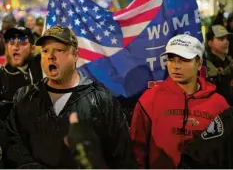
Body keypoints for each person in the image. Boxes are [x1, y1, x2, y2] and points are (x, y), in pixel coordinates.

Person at [4, 25, 136, 169]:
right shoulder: (25, 97)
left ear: (75, 56)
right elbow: (13, 147)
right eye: (45, 51)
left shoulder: (102, 100)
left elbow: (122, 157)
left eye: (58, 50)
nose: (50, 56)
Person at [130, 34, 229, 168]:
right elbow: (136, 150)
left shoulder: (219, 105)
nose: (175, 66)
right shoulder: (150, 99)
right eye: (171, 59)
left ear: (199, 63)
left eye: (184, 60)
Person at [0, 26, 42, 120]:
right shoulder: (2, 77)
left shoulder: (42, 66)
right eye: (11, 42)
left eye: (22, 42)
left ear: (32, 48)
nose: (15, 47)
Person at [205, 24, 233, 105]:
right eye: (221, 39)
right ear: (210, 43)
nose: (226, 41)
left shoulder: (229, 60)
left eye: (227, 38)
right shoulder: (206, 64)